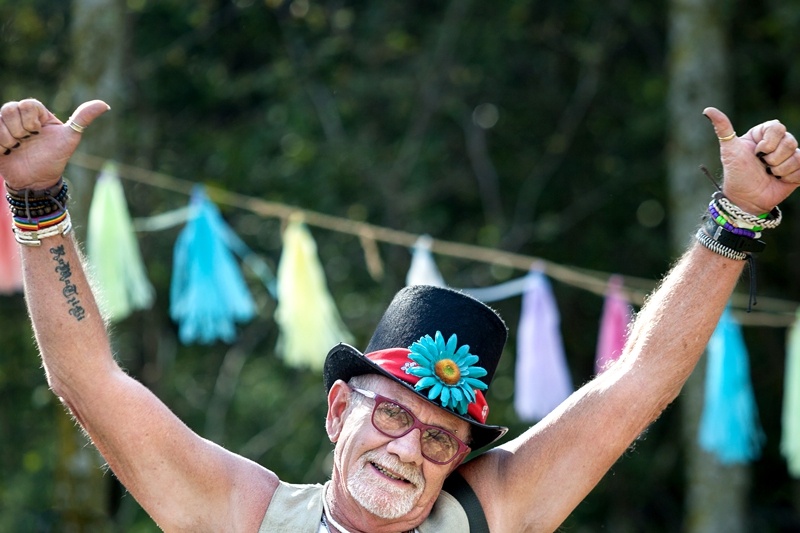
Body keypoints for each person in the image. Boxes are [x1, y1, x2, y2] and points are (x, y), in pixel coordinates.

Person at [1, 97, 798, 533]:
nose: (408, 449)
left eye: (439, 436)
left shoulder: (491, 513)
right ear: (340, 406)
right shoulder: (245, 517)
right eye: (391, 413)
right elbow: (87, 379)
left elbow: (636, 381)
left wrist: (737, 220)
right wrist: (36, 204)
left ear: (459, 458)